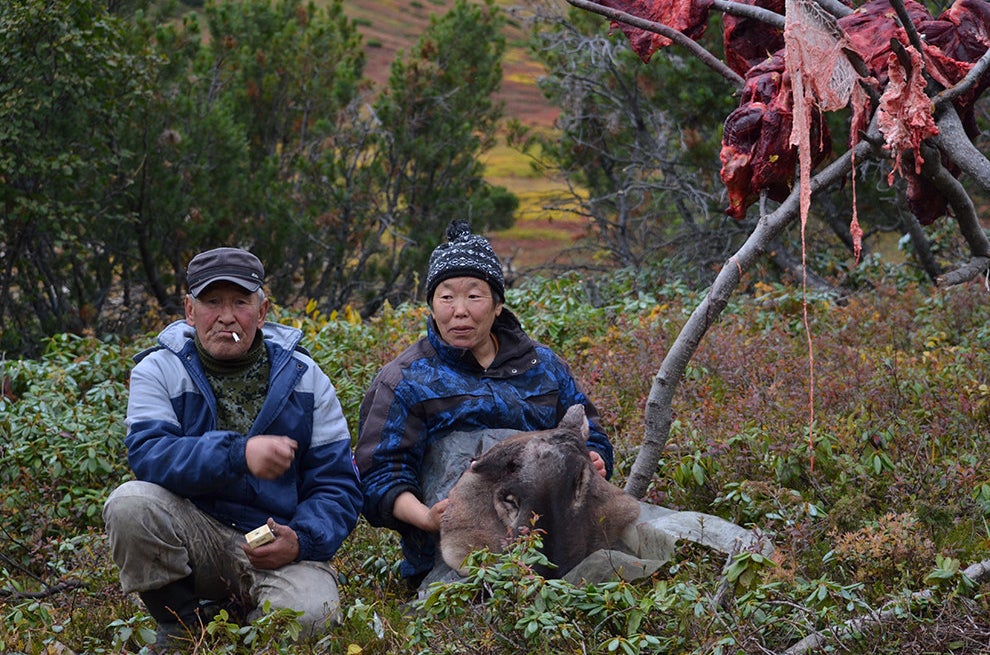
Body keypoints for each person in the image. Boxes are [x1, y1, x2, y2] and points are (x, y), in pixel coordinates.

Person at [102, 247, 362, 648]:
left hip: (276, 540)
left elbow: (338, 484)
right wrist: (237, 454)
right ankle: (182, 624)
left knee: (311, 616)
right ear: (190, 311)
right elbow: (151, 455)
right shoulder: (158, 369)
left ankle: (244, 618)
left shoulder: (306, 378)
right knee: (129, 504)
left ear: (261, 312)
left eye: (240, 302)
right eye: (211, 302)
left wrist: (302, 539)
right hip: (196, 531)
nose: (226, 317)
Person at [355, 220, 614, 591]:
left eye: (474, 296)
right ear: (431, 305)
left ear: (497, 305)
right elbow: (378, 477)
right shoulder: (406, 380)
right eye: (446, 297)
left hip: (555, 541)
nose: (459, 311)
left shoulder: (543, 367)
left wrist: (593, 459)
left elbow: (590, 433)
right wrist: (428, 517)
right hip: (448, 554)